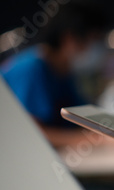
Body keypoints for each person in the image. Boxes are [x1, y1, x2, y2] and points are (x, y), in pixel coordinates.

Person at [1, 2, 107, 148]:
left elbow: (83, 119)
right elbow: (33, 133)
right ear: (69, 39)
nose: (95, 49)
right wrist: (95, 139)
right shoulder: (31, 70)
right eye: (93, 40)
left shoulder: (64, 73)